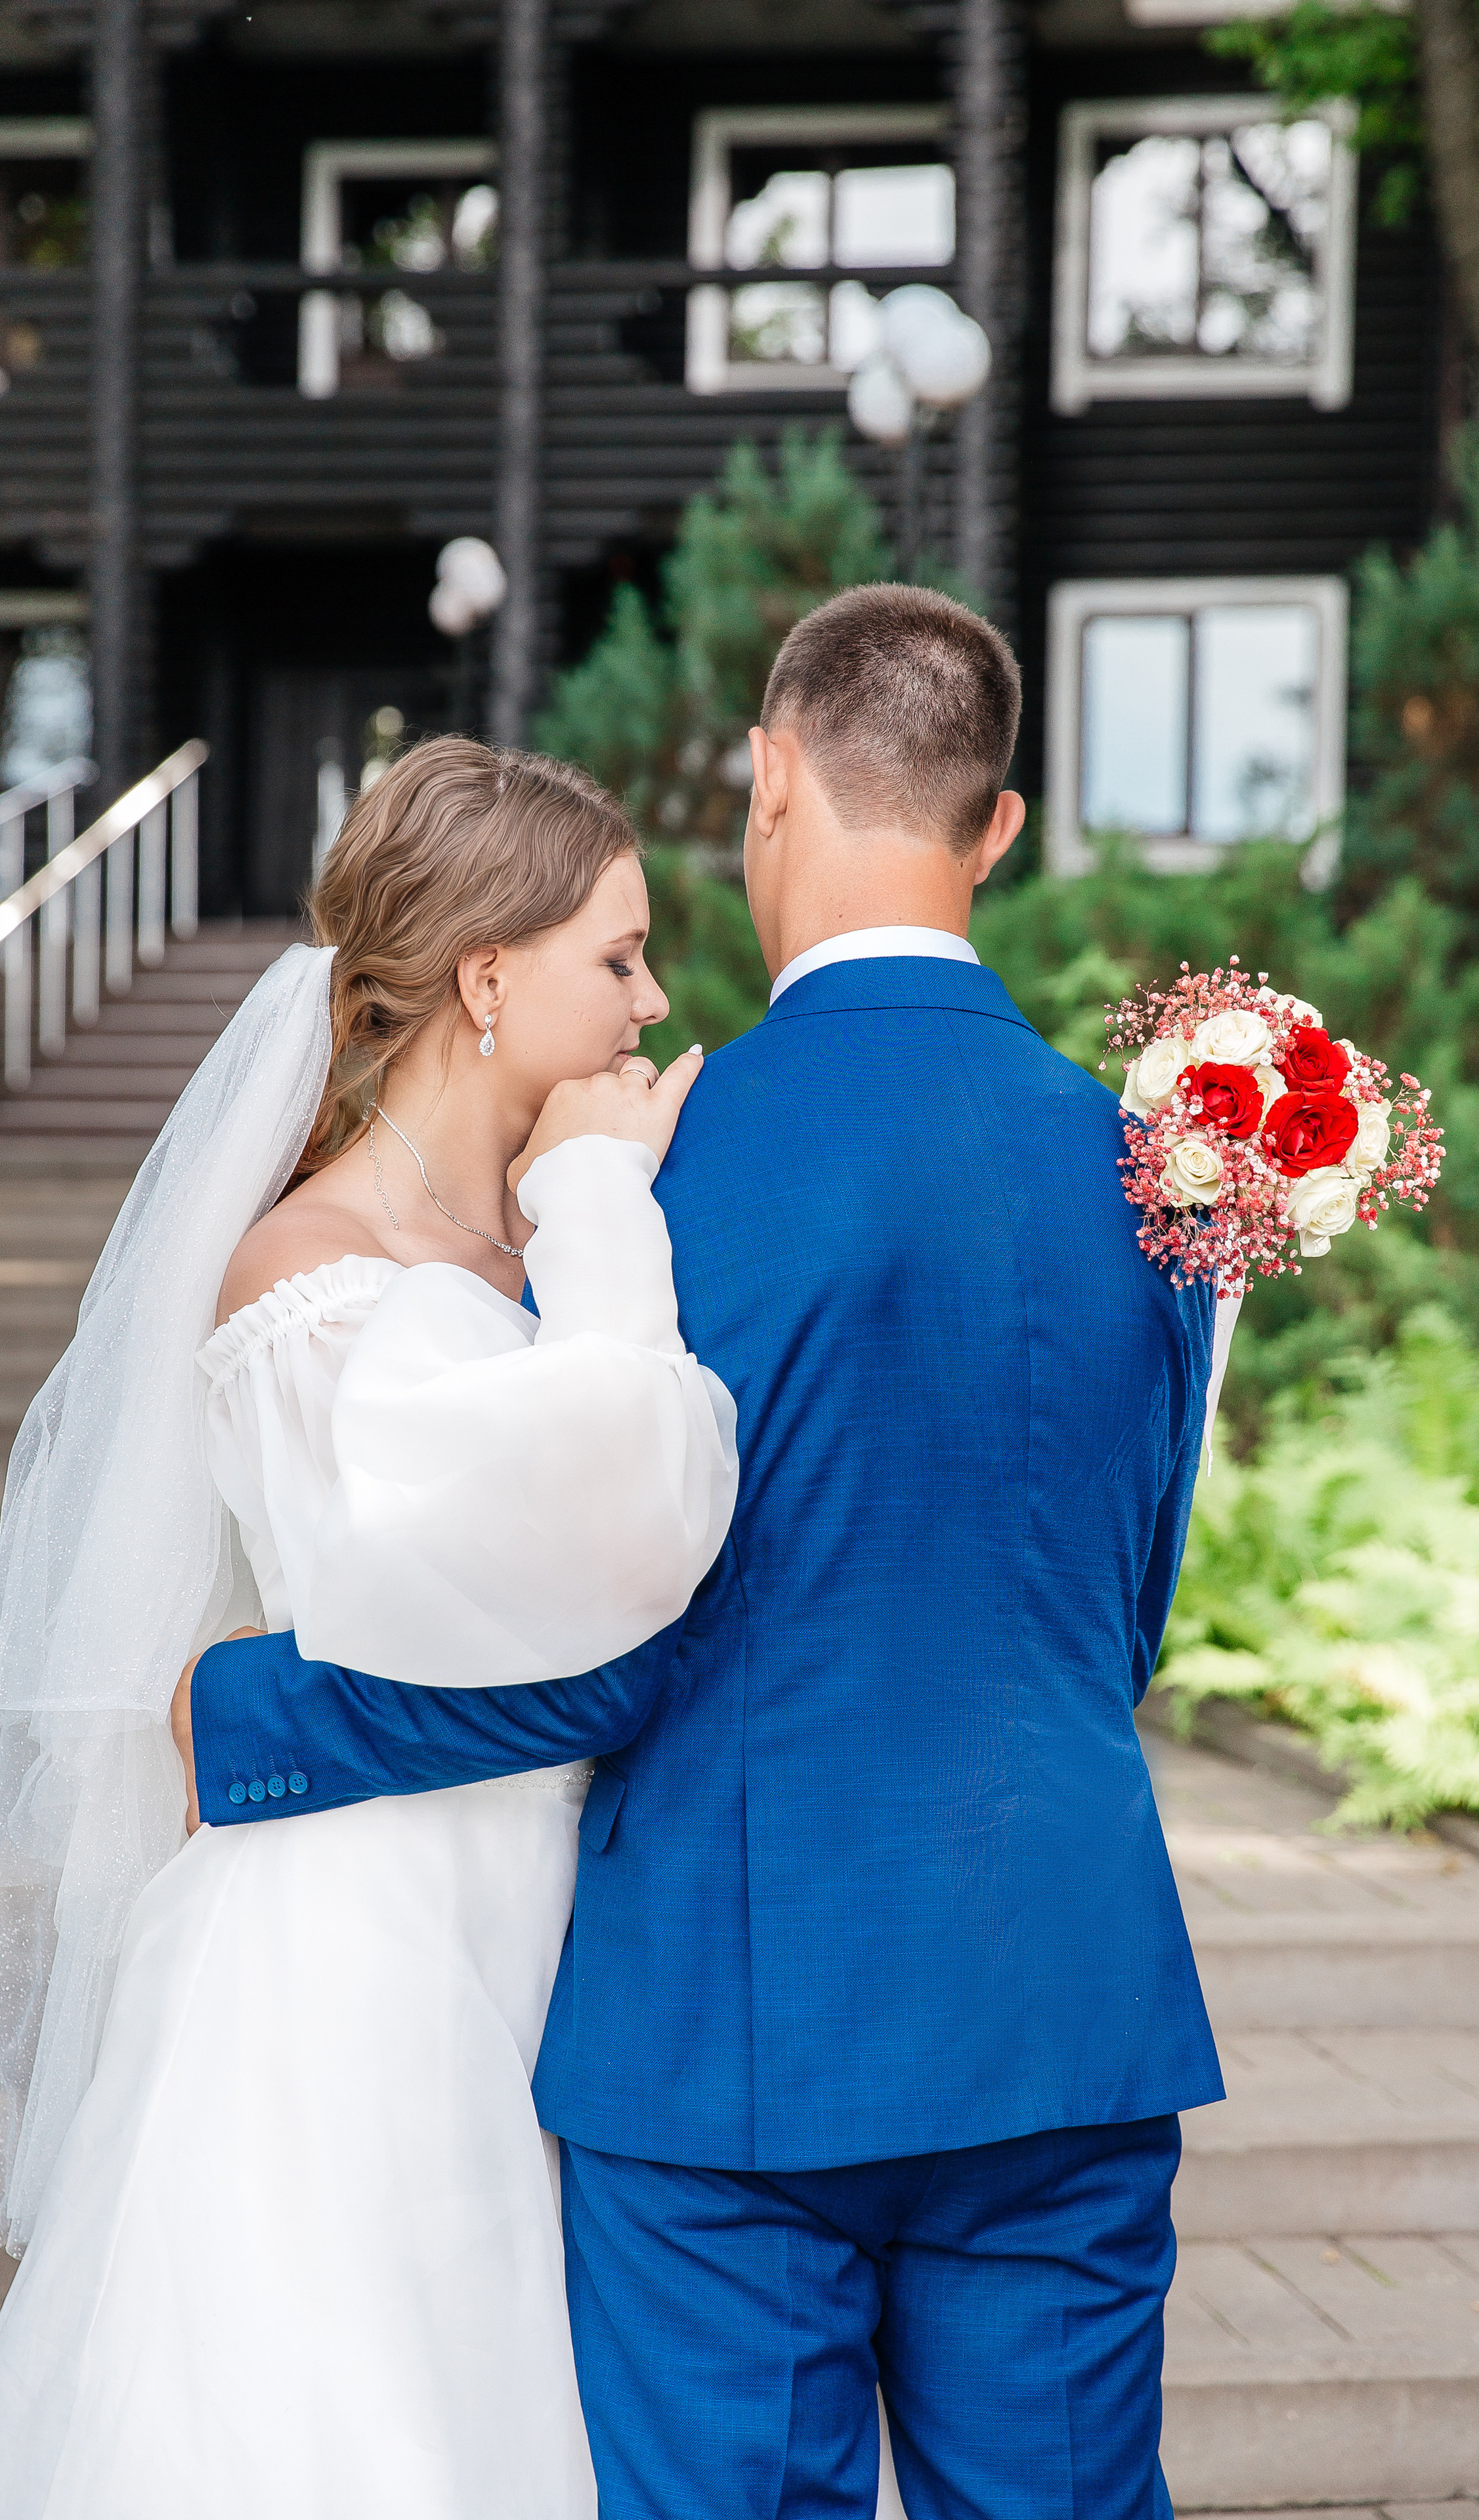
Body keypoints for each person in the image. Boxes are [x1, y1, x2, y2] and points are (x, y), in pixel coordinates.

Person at [184, 583, 1226, 2520]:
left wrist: (249, 1718)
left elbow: (614, 1632)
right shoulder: (1168, 1172)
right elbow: (1124, 1610)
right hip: (1067, 2009)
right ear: (996, 826)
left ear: (767, 777)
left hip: (735, 2035)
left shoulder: (656, 1172)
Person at [0, 741, 739, 2519]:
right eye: (618, 956)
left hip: (552, 1925)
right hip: (365, 1940)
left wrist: (590, 1215)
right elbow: (623, 1550)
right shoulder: (313, 1277)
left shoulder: (518, 1240)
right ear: (489, 977)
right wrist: (608, 1213)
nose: (656, 999)